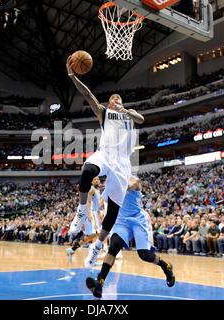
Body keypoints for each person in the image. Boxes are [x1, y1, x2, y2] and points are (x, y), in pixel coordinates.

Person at [66, 56, 145, 268]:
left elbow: (141, 120)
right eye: (112, 98)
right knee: (87, 170)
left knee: (113, 212)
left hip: (122, 164)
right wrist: (73, 76)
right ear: (109, 102)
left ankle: (97, 246)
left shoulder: (130, 115)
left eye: (118, 97)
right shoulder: (104, 112)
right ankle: (81, 211)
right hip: (105, 155)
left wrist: (125, 110)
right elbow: (88, 94)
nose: (115, 99)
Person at [86, 177, 175, 298]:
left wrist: (117, 187)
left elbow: (135, 183)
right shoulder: (108, 187)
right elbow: (101, 203)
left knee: (145, 255)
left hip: (138, 219)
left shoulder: (129, 178)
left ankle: (166, 267)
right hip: (122, 221)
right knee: (113, 247)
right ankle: (100, 281)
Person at [66, 177, 101, 262]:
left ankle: (72, 249)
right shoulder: (91, 189)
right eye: (94, 179)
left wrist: (99, 214)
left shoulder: (98, 190)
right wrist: (89, 214)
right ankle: (92, 259)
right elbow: (88, 202)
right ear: (91, 182)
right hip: (91, 213)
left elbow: (97, 204)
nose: (96, 180)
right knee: (97, 234)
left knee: (90, 236)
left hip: (95, 213)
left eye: (97, 179)